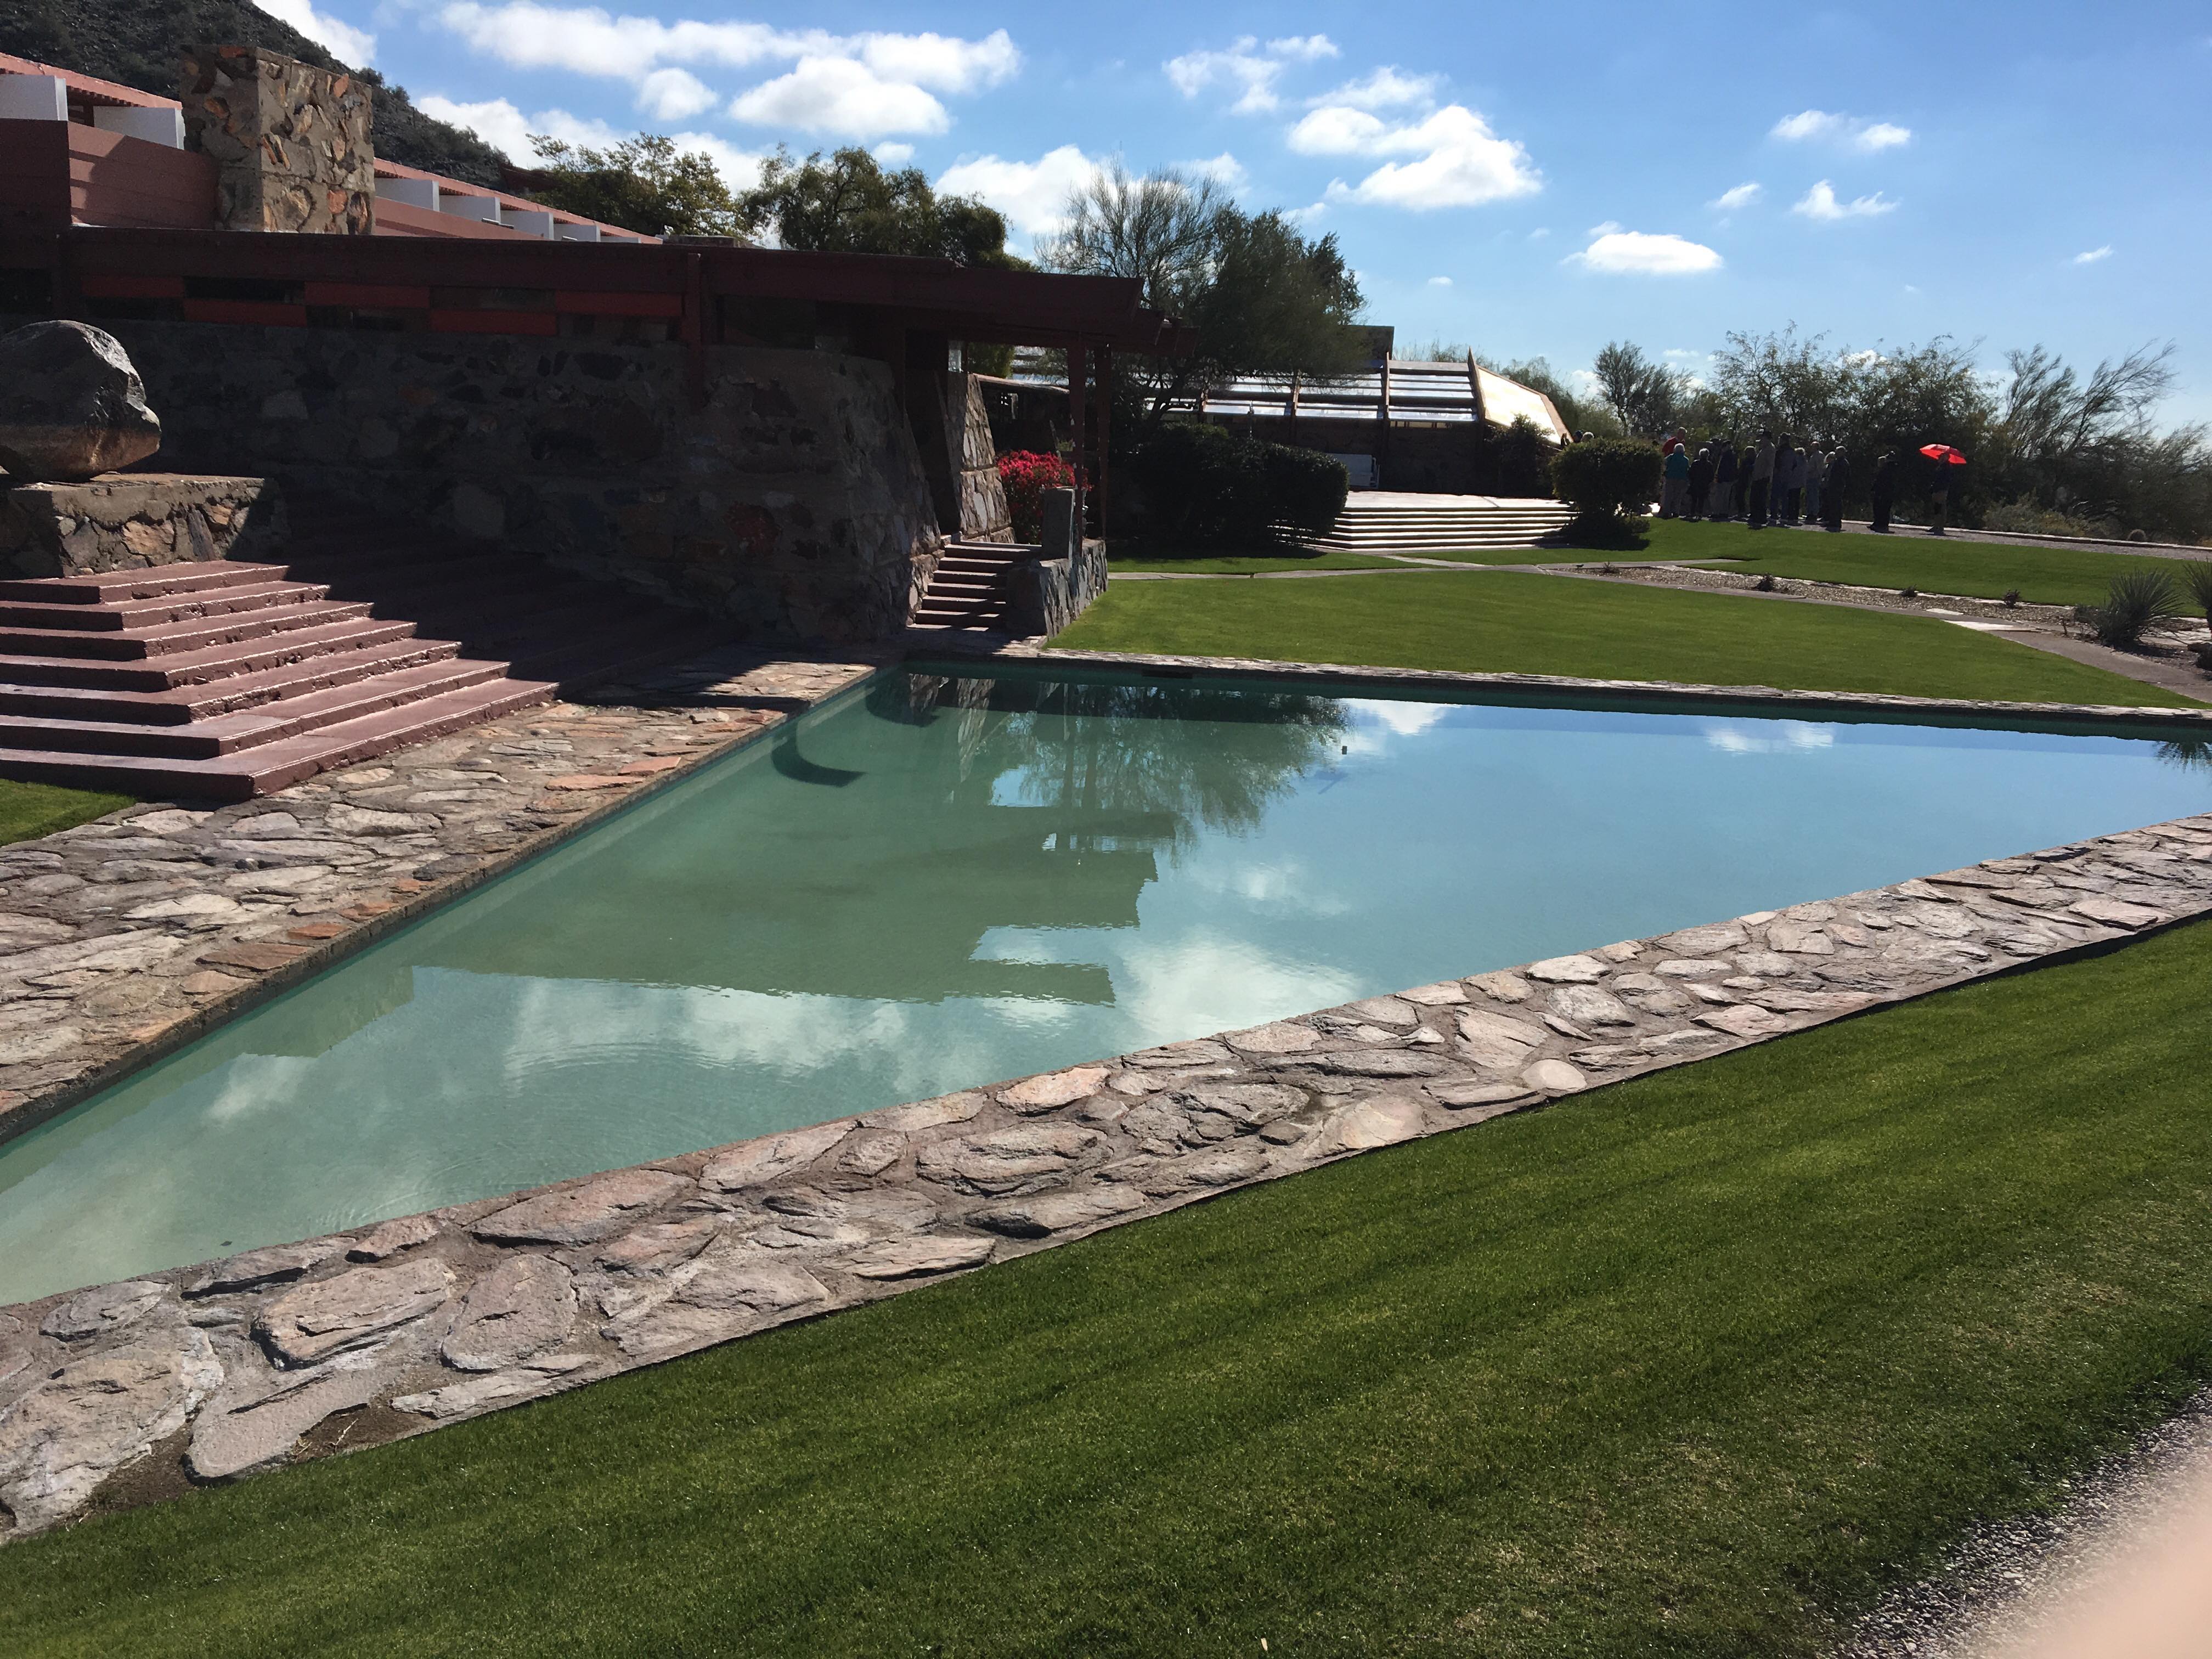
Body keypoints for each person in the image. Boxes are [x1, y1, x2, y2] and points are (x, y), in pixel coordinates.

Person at [1747, 428, 1775, 529]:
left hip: (1763, 478)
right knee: (1755, 498)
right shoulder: (1763, 449)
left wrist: (1766, 476)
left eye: (1763, 437)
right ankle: (1755, 516)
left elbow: (1770, 465)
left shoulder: (1770, 449)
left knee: (1761, 498)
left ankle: (1761, 517)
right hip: (1757, 477)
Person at [1660, 440, 1691, 516]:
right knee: (1678, 496)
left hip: (1670, 478)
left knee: (1669, 495)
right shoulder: (1686, 460)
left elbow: (1664, 462)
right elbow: (1688, 469)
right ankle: (1676, 512)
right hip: (1681, 479)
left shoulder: (1671, 457)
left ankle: (1667, 511)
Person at [1821, 444, 1849, 530]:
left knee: (1836, 504)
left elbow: (1843, 476)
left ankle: (1836, 522)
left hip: (1837, 486)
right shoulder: (1839, 462)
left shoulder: (1842, 463)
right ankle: (1833, 521)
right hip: (1835, 486)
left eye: (1837, 452)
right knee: (1833, 504)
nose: (1836, 453)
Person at [1869, 449, 1895, 532]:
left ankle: (1881, 525)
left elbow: (1882, 482)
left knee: (1882, 509)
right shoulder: (1888, 470)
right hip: (1885, 493)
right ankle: (1879, 524)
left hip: (1884, 493)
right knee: (1881, 509)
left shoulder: (1887, 470)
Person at [1711, 439, 1737, 520]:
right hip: (1730, 480)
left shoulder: (1725, 456)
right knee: (1726, 497)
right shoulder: (1734, 456)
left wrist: (1718, 477)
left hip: (1723, 479)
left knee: (1719, 496)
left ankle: (1716, 512)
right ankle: (1724, 512)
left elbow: (1722, 468)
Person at [1688, 445, 1716, 518]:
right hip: (1704, 484)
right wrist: (1709, 482)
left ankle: (1692, 512)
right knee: (1701, 500)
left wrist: (1691, 480)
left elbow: (1690, 473)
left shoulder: (1695, 463)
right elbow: (1711, 476)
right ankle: (1700, 513)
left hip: (1695, 483)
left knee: (1694, 499)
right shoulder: (1709, 465)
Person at [1803, 440, 1825, 526]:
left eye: (1813, 446)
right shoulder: (1813, 455)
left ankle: (1814, 514)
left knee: (1814, 496)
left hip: (1814, 478)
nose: (1811, 448)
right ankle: (1810, 512)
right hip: (1810, 478)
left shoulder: (1819, 455)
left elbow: (1819, 467)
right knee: (1810, 497)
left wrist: (1818, 476)